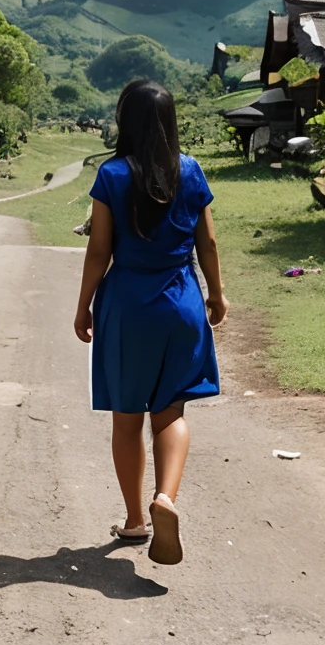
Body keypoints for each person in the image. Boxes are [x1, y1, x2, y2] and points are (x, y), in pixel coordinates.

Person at [71, 80, 227, 566]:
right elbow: (208, 245)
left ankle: (136, 519)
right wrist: (216, 295)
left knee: (127, 417)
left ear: (125, 122)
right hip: (181, 300)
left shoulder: (111, 174)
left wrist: (83, 305)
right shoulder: (191, 171)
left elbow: (99, 250)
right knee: (172, 413)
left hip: (128, 303)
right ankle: (167, 498)